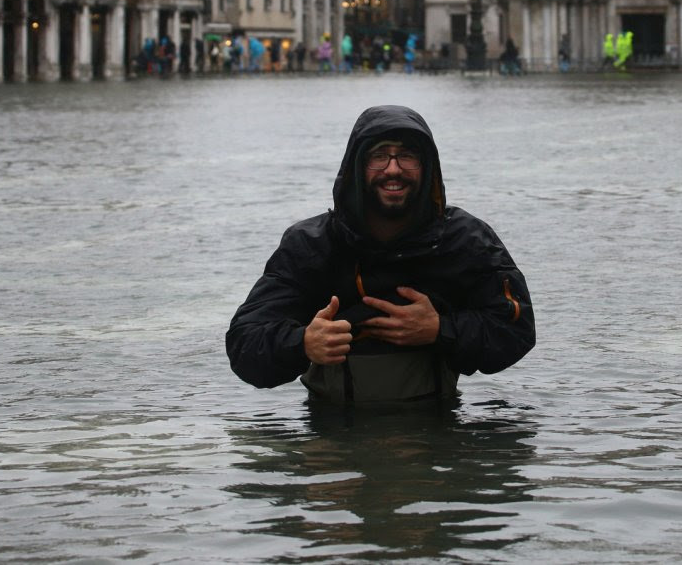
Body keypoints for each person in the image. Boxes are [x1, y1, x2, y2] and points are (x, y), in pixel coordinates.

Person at [226, 105, 536, 405]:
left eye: (407, 156)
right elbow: (243, 344)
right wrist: (303, 343)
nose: (393, 169)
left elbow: (517, 331)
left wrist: (440, 329)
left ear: (427, 167)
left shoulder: (466, 240)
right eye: (379, 156)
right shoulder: (310, 245)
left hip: (436, 431)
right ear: (356, 168)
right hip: (331, 435)